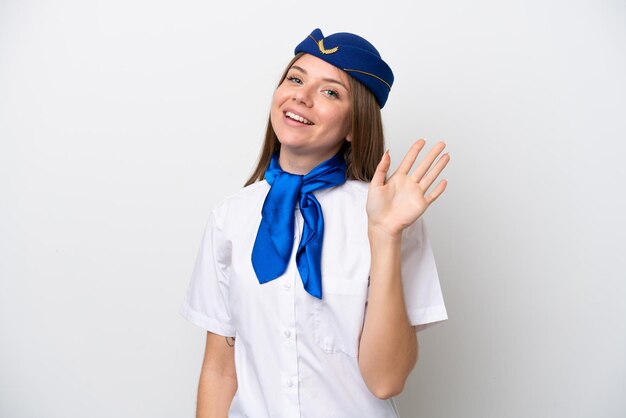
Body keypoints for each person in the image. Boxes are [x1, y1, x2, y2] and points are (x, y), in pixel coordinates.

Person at [181, 28, 450, 418]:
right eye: (295, 78)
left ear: (355, 126)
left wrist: (385, 236)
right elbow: (221, 370)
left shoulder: (389, 216)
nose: (300, 97)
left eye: (330, 92)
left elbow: (386, 381)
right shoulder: (231, 218)